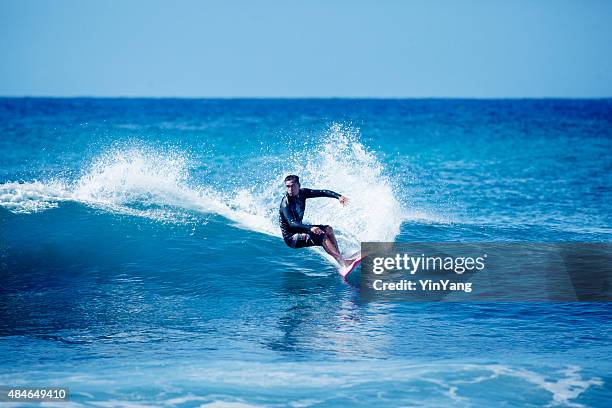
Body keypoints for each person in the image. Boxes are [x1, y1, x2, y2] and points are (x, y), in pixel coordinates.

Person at [279, 174, 354, 268]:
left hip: (300, 229)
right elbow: (292, 223)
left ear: (299, 185)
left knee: (328, 229)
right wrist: (310, 228)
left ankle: (338, 256)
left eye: (292, 186)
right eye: (288, 186)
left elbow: (322, 192)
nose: (290, 189)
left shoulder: (303, 193)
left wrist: (338, 196)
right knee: (321, 235)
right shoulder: (285, 203)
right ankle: (343, 262)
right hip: (291, 237)